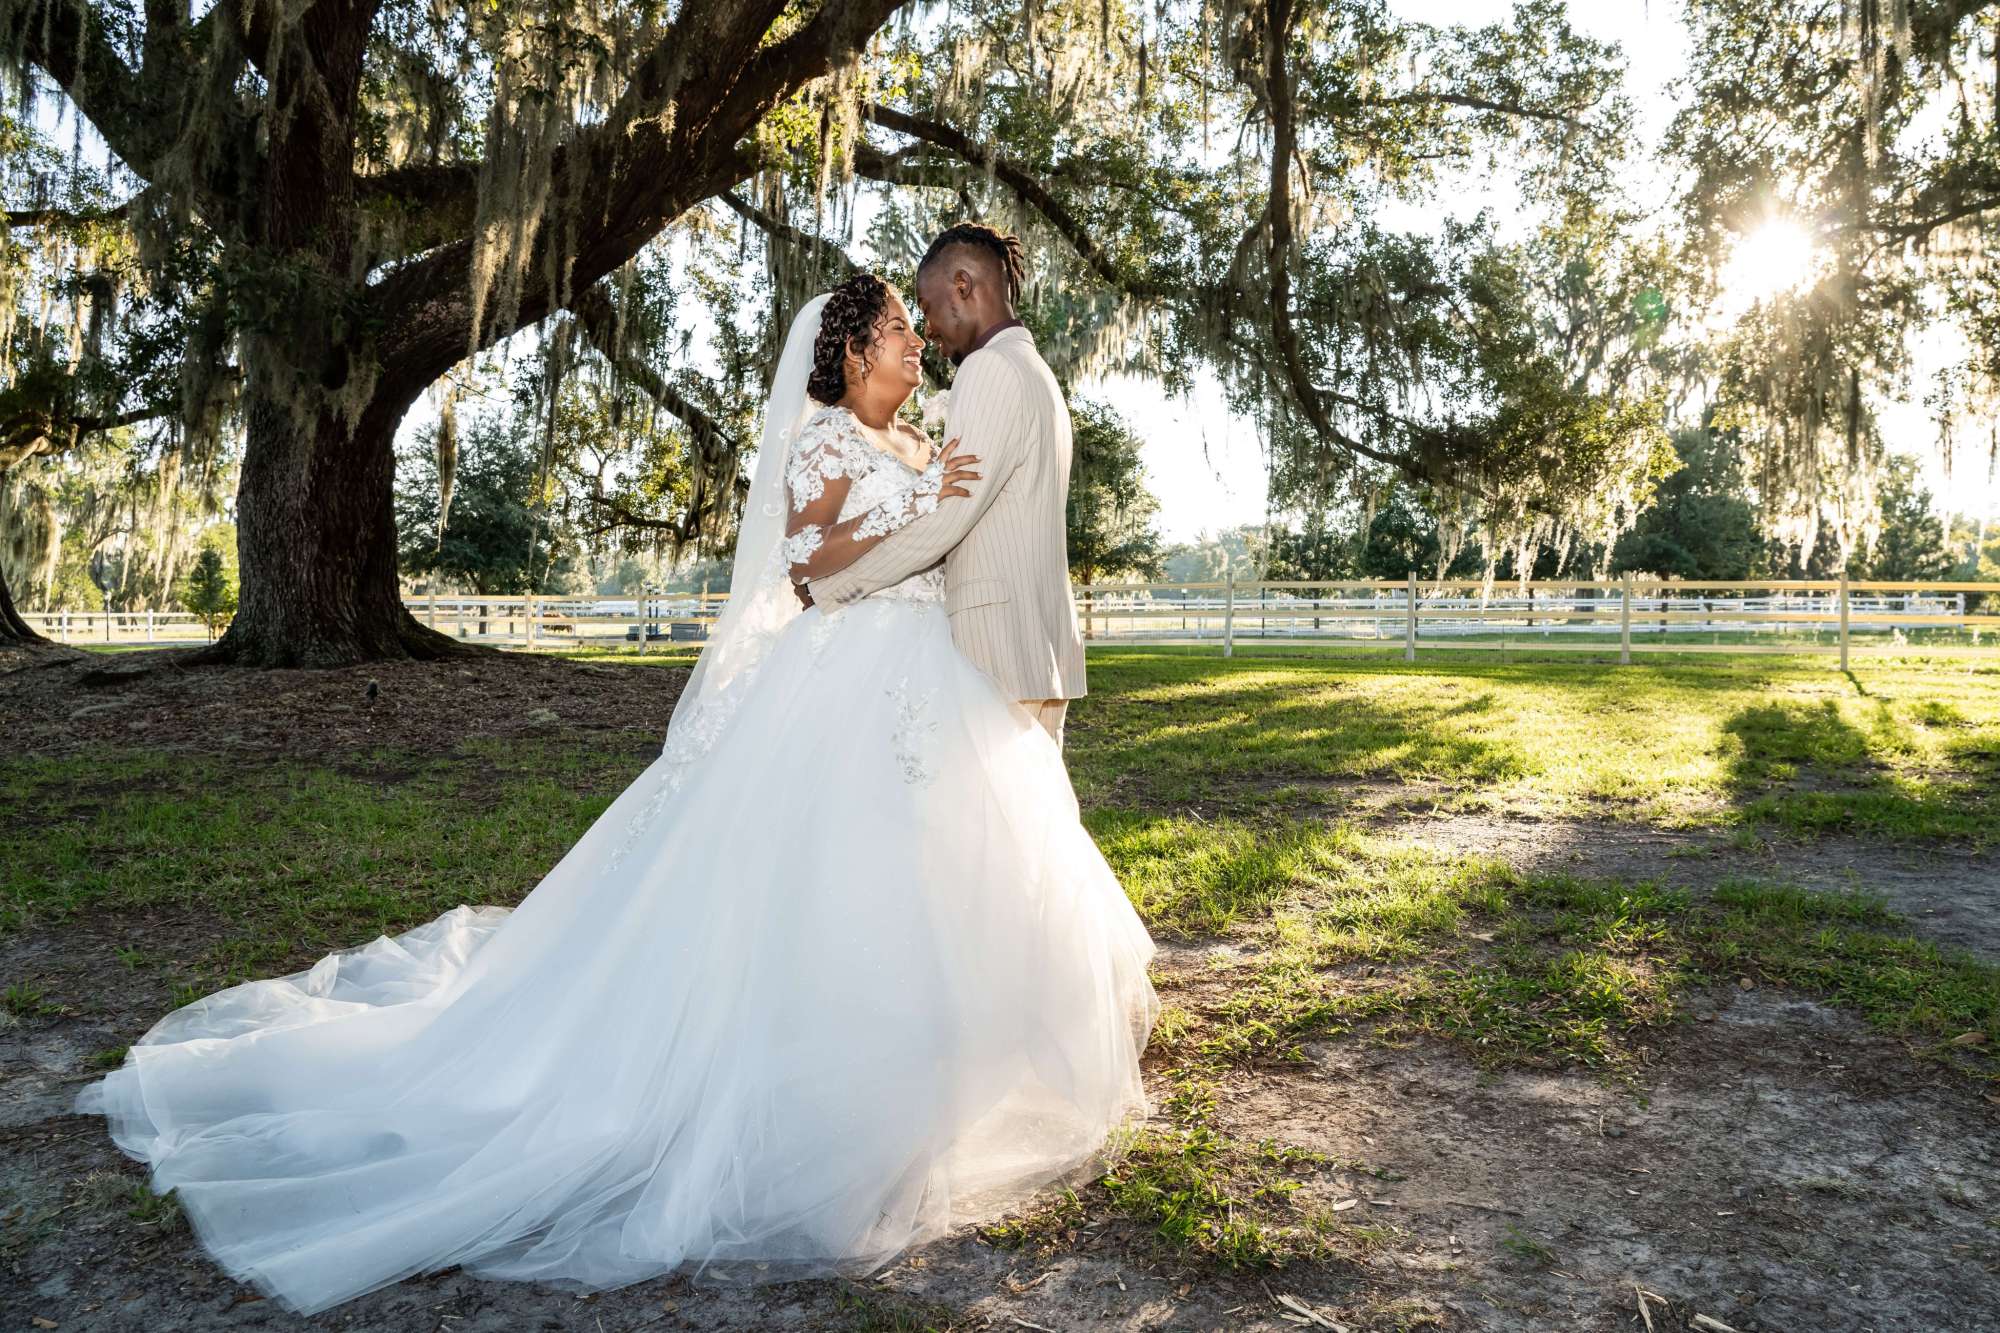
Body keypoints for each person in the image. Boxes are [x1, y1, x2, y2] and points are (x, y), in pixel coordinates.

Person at [75, 271, 1158, 1317]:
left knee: (941, 870)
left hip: (934, 679)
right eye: (894, 328)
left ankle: (943, 1067)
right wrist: (875, 553)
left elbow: (950, 529)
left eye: (914, 327)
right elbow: (807, 560)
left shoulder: (925, 438)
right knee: (824, 878)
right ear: (848, 351)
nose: (914, 341)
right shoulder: (824, 438)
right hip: (841, 683)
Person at [803, 224, 1085, 749]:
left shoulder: (987, 369)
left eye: (926, 310)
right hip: (1040, 645)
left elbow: (948, 518)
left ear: (962, 286)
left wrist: (829, 590)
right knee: (1023, 827)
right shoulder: (1034, 369)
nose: (926, 333)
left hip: (997, 645)